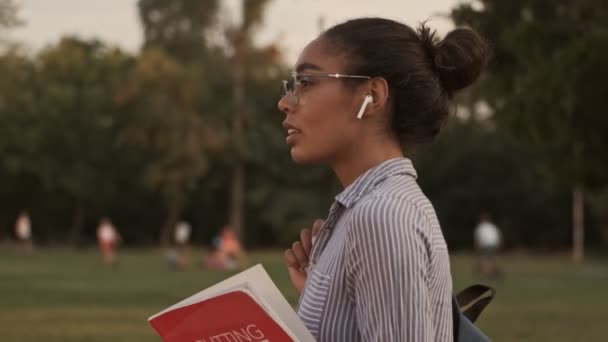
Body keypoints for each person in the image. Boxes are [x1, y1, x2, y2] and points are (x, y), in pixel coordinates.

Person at [279, 18, 489, 341]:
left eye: (306, 82)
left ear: (372, 96)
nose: (286, 102)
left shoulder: (383, 215)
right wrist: (327, 298)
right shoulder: (368, 208)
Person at [474, 212, 502, 278]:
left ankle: (487, 274)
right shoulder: (492, 226)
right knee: (492, 259)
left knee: (485, 259)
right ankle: (493, 273)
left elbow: (479, 238)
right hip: (494, 244)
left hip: (486, 244)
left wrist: (477, 246)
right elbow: (498, 235)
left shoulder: (481, 226)